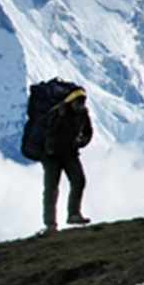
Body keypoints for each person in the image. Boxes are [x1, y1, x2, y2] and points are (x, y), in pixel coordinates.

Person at [41, 87, 92, 235]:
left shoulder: (82, 113)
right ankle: (51, 224)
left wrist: (80, 141)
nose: (81, 105)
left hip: (70, 153)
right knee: (51, 190)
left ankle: (73, 214)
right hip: (52, 156)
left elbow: (88, 132)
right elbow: (50, 132)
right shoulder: (57, 112)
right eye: (79, 102)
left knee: (79, 181)